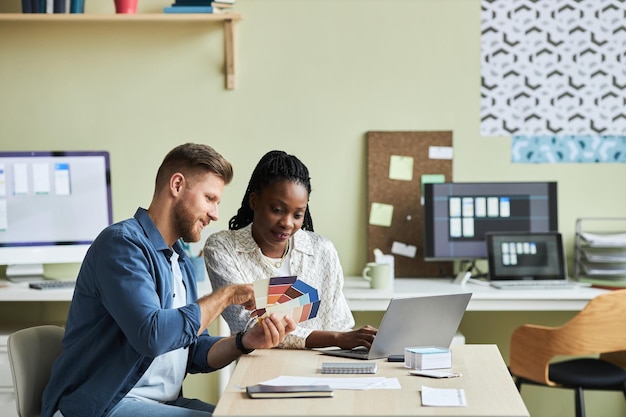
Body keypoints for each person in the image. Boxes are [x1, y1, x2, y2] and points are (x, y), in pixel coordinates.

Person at [42, 143, 296, 417]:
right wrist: (226, 295)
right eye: (210, 198)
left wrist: (245, 340)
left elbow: (194, 350)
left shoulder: (179, 260)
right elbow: (152, 336)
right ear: (177, 185)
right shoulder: (122, 245)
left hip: (162, 404)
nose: (215, 214)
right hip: (104, 405)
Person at [203, 150, 377, 350]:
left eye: (297, 214)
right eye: (277, 210)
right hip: (259, 371)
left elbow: (340, 324)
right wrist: (336, 338)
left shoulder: (322, 250)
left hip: (321, 371)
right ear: (254, 201)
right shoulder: (223, 248)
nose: (287, 223)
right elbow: (252, 329)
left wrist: (348, 339)